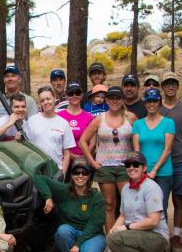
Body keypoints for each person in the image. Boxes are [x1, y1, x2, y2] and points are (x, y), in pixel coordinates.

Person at [79, 85, 137, 233]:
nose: (114, 101)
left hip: (126, 167)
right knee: (109, 204)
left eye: (118, 98)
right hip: (105, 167)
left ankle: (127, 236)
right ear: (107, 100)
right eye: (111, 98)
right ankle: (111, 238)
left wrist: (137, 162)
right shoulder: (100, 119)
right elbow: (83, 141)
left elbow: (139, 139)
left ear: (122, 100)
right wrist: (92, 162)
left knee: (128, 203)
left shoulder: (131, 117)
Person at [105, 151, 169, 252]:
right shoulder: (126, 188)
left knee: (114, 239)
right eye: (128, 165)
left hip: (155, 235)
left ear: (144, 168)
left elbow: (153, 221)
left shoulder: (151, 188)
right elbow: (123, 215)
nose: (131, 167)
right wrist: (113, 229)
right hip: (135, 236)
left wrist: (126, 228)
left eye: (135, 164)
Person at [35, 161, 106, 252]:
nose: (80, 176)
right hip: (71, 231)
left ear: (89, 176)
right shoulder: (64, 190)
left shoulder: (96, 196)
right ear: (71, 175)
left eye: (84, 173)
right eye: (76, 172)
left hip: (92, 234)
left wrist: (77, 244)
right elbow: (39, 178)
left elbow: (95, 224)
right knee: (62, 230)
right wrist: (48, 197)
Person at [159, 72, 182, 252]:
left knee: (178, 199)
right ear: (162, 87)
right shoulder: (156, 108)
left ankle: (177, 236)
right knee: (161, 200)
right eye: (167, 83)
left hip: (179, 160)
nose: (170, 86)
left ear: (177, 86)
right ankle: (163, 235)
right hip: (162, 161)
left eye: (173, 83)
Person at [132, 88, 175, 221]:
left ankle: (162, 233)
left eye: (155, 101)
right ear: (145, 103)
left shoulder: (168, 123)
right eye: (149, 101)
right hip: (143, 172)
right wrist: (141, 171)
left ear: (159, 103)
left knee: (160, 206)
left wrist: (155, 170)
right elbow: (137, 149)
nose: (152, 104)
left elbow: (167, 149)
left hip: (163, 172)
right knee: (143, 206)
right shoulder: (138, 124)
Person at [26, 87, 74, 174]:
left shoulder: (64, 123)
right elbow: (26, 146)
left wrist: (63, 174)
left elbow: (67, 153)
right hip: (36, 170)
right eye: (42, 100)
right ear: (39, 103)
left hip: (57, 170)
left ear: (54, 98)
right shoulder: (32, 120)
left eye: (48, 99)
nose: (45, 102)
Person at [57, 82, 94, 157]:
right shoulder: (59, 116)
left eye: (77, 93)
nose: (74, 96)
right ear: (66, 96)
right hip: (64, 159)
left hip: (85, 159)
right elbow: (57, 142)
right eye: (71, 93)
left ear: (81, 95)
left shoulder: (89, 117)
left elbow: (93, 143)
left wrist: (83, 157)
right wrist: (72, 156)